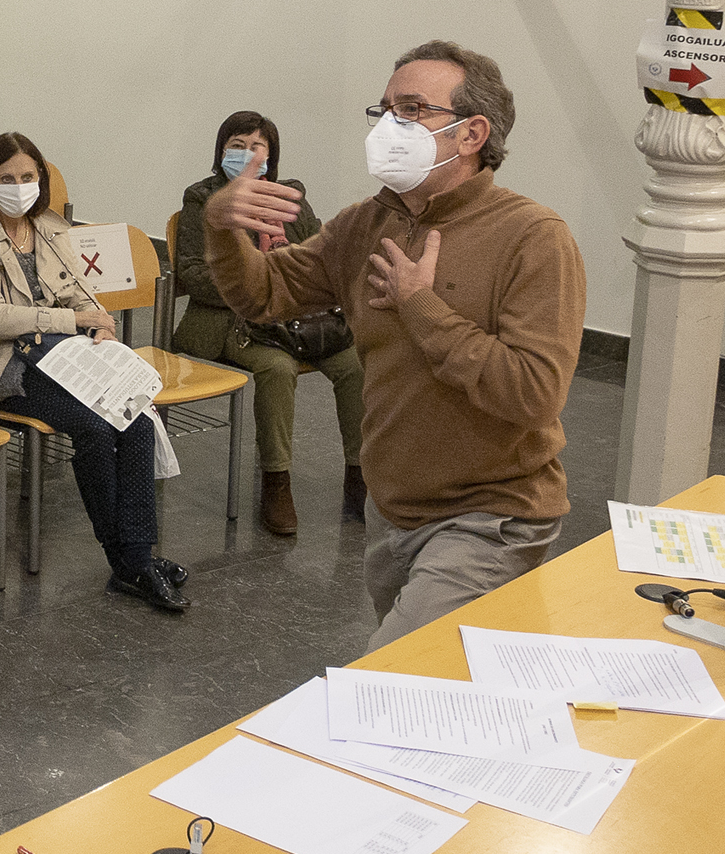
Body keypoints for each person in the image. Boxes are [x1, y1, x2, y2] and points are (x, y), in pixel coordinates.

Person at [205, 41, 584, 647]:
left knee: (391, 675)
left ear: (471, 133)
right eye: (383, 110)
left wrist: (420, 307)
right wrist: (222, 229)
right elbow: (264, 296)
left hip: (491, 516)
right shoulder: (366, 224)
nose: (390, 126)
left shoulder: (533, 237)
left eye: (412, 110)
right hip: (394, 511)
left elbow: (532, 394)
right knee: (436, 702)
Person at [0, 134, 187, 614]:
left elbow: (80, 294)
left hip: (61, 359)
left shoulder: (49, 228)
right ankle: (132, 563)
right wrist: (72, 323)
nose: (19, 186)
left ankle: (135, 558)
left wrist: (104, 326)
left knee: (132, 418)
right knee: (95, 426)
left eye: (28, 177)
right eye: (7, 179)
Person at [172, 112, 368, 536]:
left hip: (297, 320)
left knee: (354, 363)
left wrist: (289, 291)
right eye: (237, 144)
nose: (246, 154)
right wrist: (255, 286)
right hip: (232, 321)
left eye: (257, 146)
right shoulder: (203, 199)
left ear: (271, 156)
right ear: (221, 148)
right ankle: (276, 482)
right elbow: (192, 274)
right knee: (277, 370)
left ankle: (360, 474)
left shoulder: (288, 197)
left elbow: (322, 263)